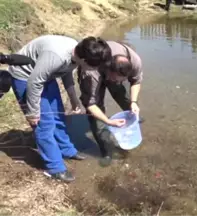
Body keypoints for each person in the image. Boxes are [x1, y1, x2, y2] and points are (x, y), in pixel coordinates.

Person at [1, 35, 112, 182]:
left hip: (45, 75)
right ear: (84, 60)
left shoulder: (77, 52)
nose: (96, 69)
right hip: (26, 77)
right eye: (94, 66)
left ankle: (66, 149)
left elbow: (66, 72)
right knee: (44, 125)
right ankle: (55, 168)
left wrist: (73, 99)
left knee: (58, 117)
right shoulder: (57, 57)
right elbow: (34, 83)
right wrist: (33, 112)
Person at [77, 40, 143, 167]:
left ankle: (133, 117)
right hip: (95, 73)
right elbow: (91, 104)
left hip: (114, 70)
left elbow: (136, 81)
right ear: (108, 70)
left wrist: (134, 102)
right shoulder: (91, 73)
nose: (115, 81)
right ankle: (106, 151)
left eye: (121, 79)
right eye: (113, 78)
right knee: (97, 117)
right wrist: (108, 121)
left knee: (123, 95)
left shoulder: (134, 61)